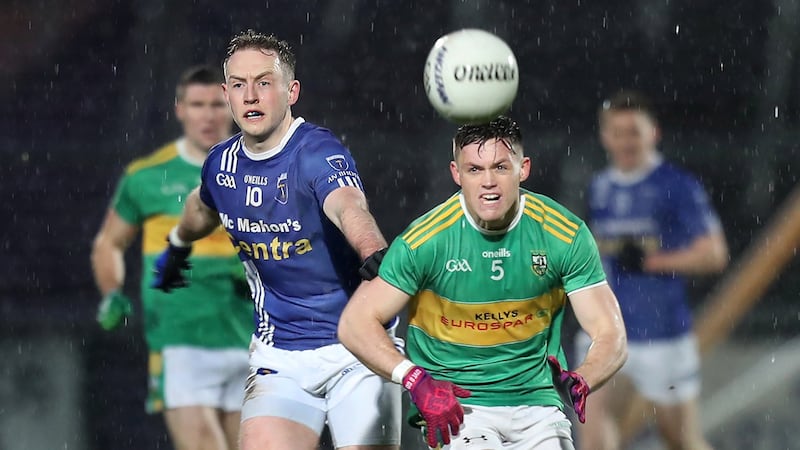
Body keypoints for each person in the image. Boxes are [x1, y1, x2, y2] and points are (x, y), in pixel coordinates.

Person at [150, 30, 401, 450]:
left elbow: (349, 206)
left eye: (264, 82)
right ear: (227, 94)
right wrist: (178, 242)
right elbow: (200, 207)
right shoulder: (220, 165)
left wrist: (372, 248)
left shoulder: (317, 152)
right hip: (279, 357)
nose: (250, 96)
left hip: (358, 349)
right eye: (238, 85)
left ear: (292, 91)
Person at [338, 116, 628, 450]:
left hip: (538, 404)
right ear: (456, 174)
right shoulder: (426, 240)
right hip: (460, 406)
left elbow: (611, 333)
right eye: (475, 169)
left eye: (501, 167)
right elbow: (355, 324)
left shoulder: (563, 234)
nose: (488, 181)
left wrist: (585, 378)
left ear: (524, 169)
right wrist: (415, 380)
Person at [90, 66, 252, 450]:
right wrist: (111, 292)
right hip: (182, 340)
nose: (208, 115)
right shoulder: (147, 177)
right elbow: (109, 244)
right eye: (197, 104)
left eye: (217, 104)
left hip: (255, 340)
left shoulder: (263, 171)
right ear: (180, 109)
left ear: (232, 106)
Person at [576, 90, 729, 450]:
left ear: (653, 133)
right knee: (594, 437)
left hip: (663, 336)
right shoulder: (599, 187)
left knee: (680, 439)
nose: (626, 140)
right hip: (607, 331)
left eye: (635, 131)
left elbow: (714, 255)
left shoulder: (676, 185)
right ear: (605, 137)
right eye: (618, 132)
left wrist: (650, 262)